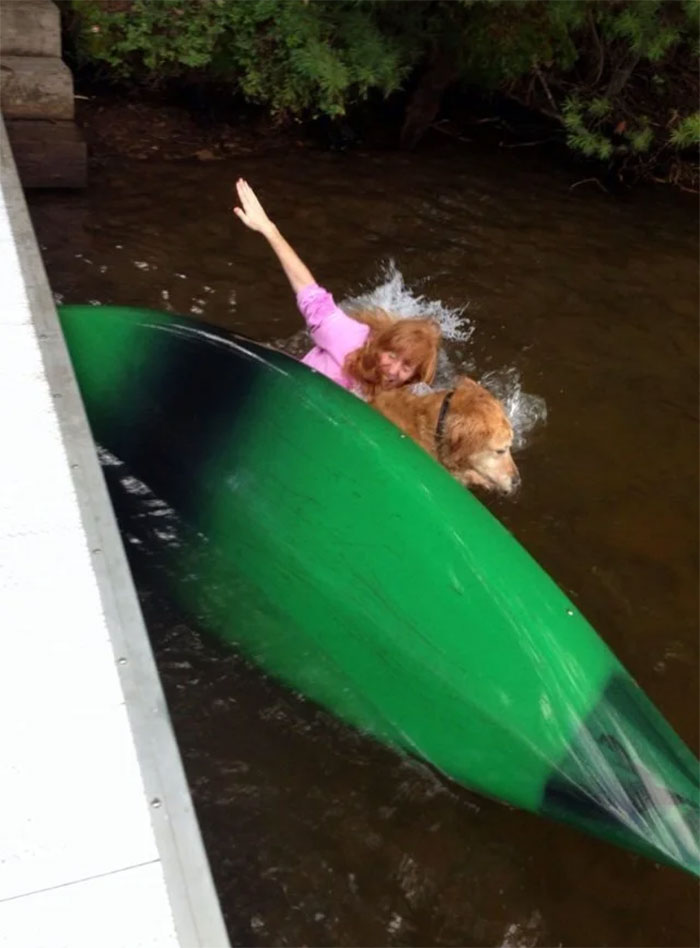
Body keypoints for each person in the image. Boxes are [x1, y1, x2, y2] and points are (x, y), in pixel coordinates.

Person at [233, 178, 440, 399]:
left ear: (413, 377)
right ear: (380, 344)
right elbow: (307, 289)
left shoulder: (400, 395)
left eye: (406, 367)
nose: (392, 370)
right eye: (391, 355)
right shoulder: (346, 338)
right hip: (288, 394)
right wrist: (268, 229)